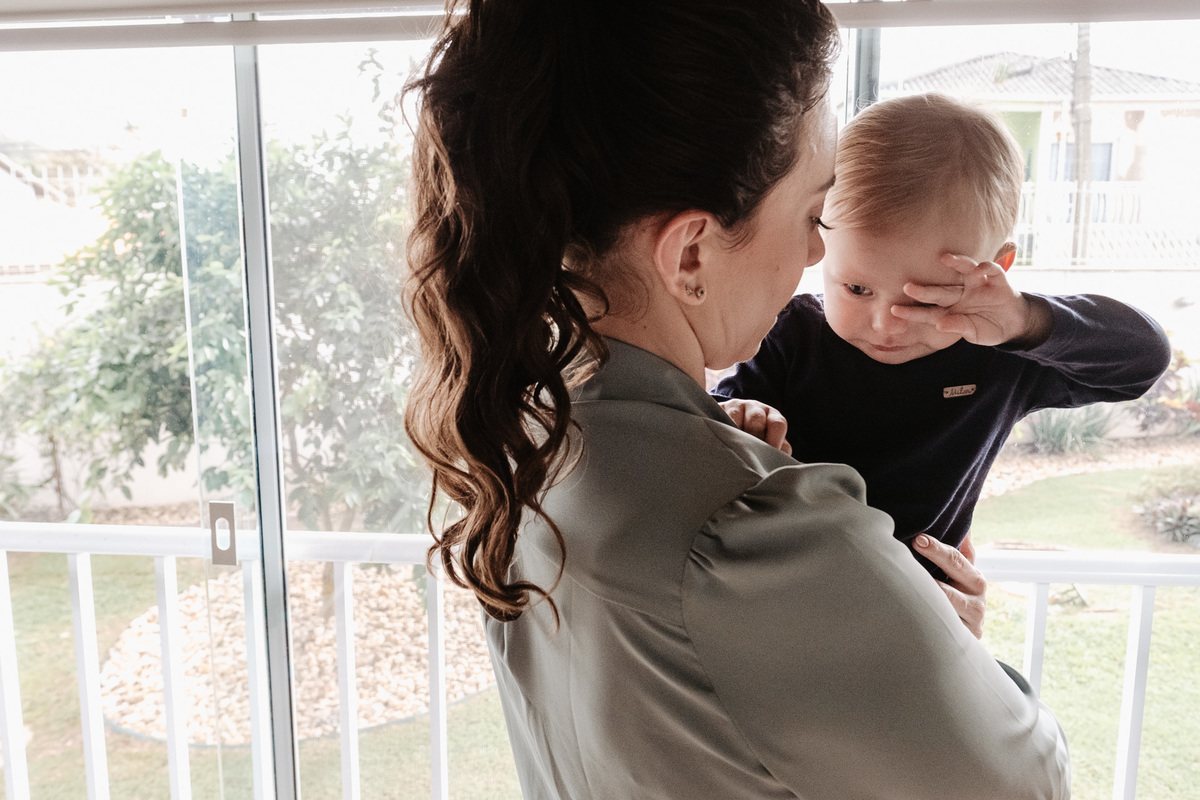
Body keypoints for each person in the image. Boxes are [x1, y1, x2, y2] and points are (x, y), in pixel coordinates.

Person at [404, 3, 1070, 798]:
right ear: (690, 253)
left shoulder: (536, 432)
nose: (820, 249)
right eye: (812, 212)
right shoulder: (753, 533)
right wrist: (948, 649)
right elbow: (1026, 783)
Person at [715, 93, 1171, 608]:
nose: (886, 322)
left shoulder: (1000, 351)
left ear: (995, 271)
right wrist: (740, 415)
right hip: (792, 592)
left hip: (926, 603)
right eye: (857, 290)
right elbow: (712, 438)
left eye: (924, 300)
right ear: (819, 247)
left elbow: (1144, 358)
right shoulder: (789, 335)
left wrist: (1025, 319)